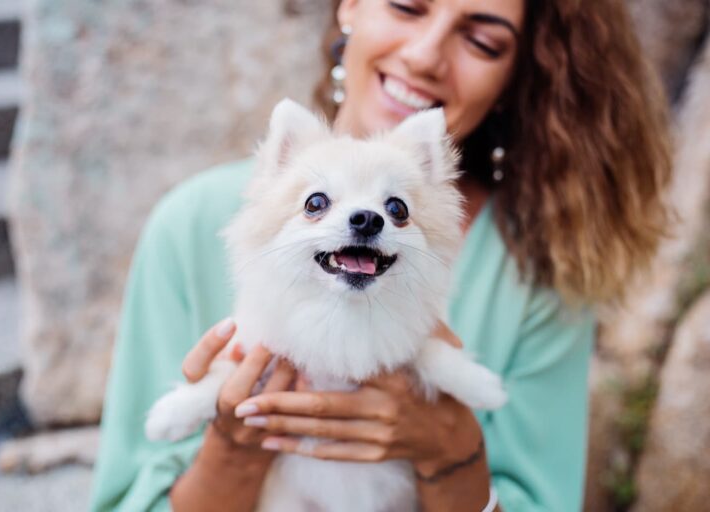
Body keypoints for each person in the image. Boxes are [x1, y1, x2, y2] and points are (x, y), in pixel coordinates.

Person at [90, 0, 671, 511]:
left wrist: (452, 454)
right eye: (406, 5)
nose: (425, 56)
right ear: (349, 6)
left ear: (521, 74)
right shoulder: (188, 224)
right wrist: (236, 446)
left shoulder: (547, 265)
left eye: (482, 40)